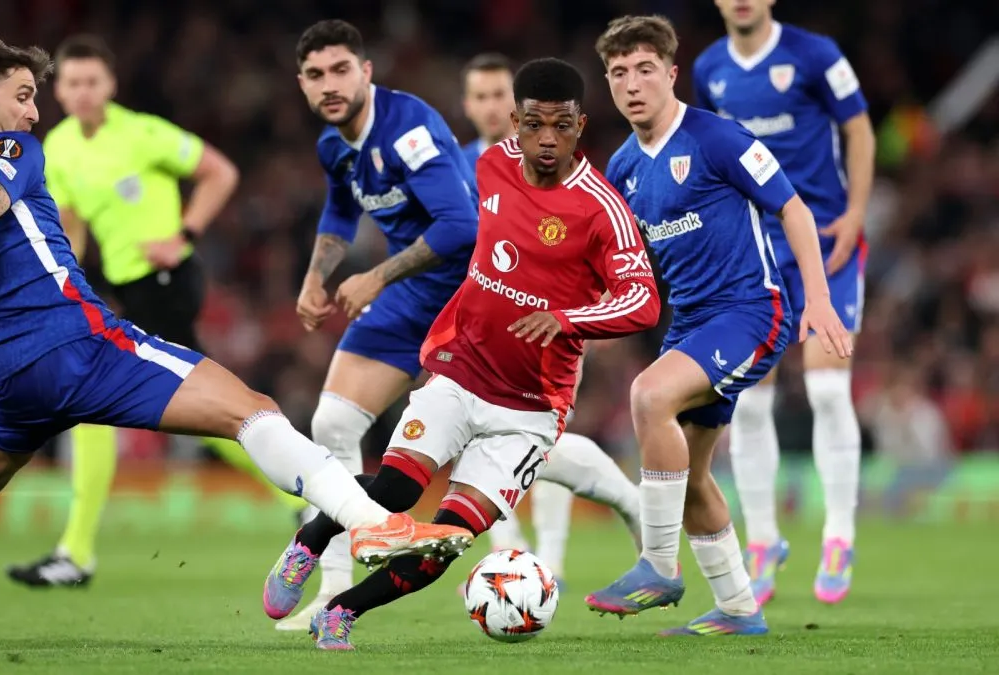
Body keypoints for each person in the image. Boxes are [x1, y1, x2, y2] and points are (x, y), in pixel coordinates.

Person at [0, 35, 473, 659]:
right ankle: (373, 523)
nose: (33, 111)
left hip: (3, 378)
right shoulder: (7, 149)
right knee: (250, 407)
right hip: (77, 345)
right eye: (23, 95)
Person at [263, 57, 661, 650]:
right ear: (513, 122)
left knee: (445, 543)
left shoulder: (601, 210)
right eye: (533, 124)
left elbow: (644, 302)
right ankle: (307, 545)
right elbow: (440, 223)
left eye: (560, 125)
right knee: (397, 490)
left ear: (581, 124)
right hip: (460, 369)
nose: (546, 139)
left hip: (529, 409)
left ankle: (341, 611)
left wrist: (566, 317)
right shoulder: (490, 165)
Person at [1, 33, 305, 589]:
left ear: (111, 85)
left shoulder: (142, 133)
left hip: (166, 281)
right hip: (124, 288)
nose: (85, 91)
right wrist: (65, 281)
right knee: (199, 408)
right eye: (73, 83)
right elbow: (70, 224)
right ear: (59, 91)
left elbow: (221, 172)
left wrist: (183, 234)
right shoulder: (60, 148)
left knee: (144, 404)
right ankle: (300, 492)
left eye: (94, 81)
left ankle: (77, 552)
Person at [584, 15, 852, 636]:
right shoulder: (622, 167)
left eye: (645, 69)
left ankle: (656, 565)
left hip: (752, 311)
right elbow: (615, 261)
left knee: (650, 396)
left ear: (672, 74)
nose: (632, 84)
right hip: (692, 325)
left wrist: (818, 296)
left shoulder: (718, 137)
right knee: (692, 476)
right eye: (619, 72)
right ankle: (737, 608)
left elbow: (794, 208)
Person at [275, 18, 480, 630]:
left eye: (341, 70)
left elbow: (461, 227)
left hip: (473, 299)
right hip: (411, 296)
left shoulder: (408, 127)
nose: (329, 84)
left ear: (366, 72)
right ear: (303, 85)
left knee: (509, 440)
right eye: (316, 75)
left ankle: (633, 506)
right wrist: (316, 276)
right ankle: (332, 576)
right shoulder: (333, 145)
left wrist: (375, 277)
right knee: (332, 420)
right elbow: (340, 209)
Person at [693, 0, 875, 605]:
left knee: (826, 388)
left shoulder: (815, 54)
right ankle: (764, 539)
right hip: (757, 252)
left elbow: (859, 127)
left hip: (826, 241)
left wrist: (855, 212)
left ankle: (840, 534)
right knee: (745, 404)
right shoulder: (709, 69)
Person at [455, 51, 642, 591]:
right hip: (479, 327)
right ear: (474, 106)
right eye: (483, 97)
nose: (491, 107)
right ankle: (516, 556)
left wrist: (575, 313)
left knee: (532, 439)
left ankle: (542, 561)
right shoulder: (470, 166)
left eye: (498, 94)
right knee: (495, 442)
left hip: (543, 332)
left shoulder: (566, 175)